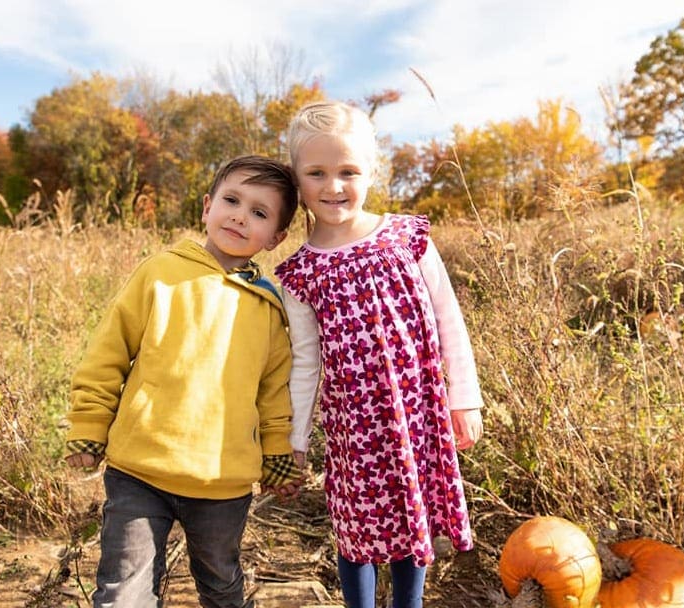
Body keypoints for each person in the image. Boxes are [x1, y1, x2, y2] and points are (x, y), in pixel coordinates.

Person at [65, 155, 303, 608]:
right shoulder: (160, 274)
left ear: (276, 237)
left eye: (259, 212)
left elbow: (274, 394)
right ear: (207, 207)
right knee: (122, 591)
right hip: (140, 469)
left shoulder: (268, 307)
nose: (239, 215)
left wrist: (276, 453)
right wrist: (89, 425)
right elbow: (107, 353)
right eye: (231, 200)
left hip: (221, 482)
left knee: (220, 585)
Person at [274, 101, 484, 608]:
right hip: (355, 427)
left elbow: (447, 320)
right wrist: (294, 438)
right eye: (317, 173)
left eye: (348, 171)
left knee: (412, 511)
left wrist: (465, 399)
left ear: (371, 171)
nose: (334, 186)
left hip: (416, 410)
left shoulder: (405, 238)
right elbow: (306, 362)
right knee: (358, 524)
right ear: (297, 181)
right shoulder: (302, 272)